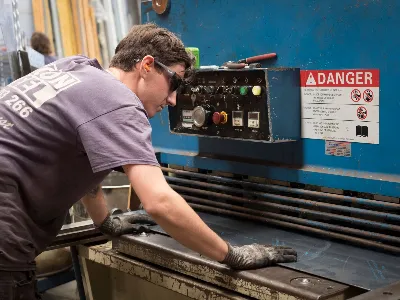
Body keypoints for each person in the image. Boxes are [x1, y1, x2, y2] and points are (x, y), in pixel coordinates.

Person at [0, 23, 297, 298]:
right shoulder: (120, 103)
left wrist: (104, 222)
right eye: (175, 84)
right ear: (146, 65)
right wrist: (231, 255)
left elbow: (82, 164)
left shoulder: (76, 68)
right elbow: (159, 202)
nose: (172, 100)